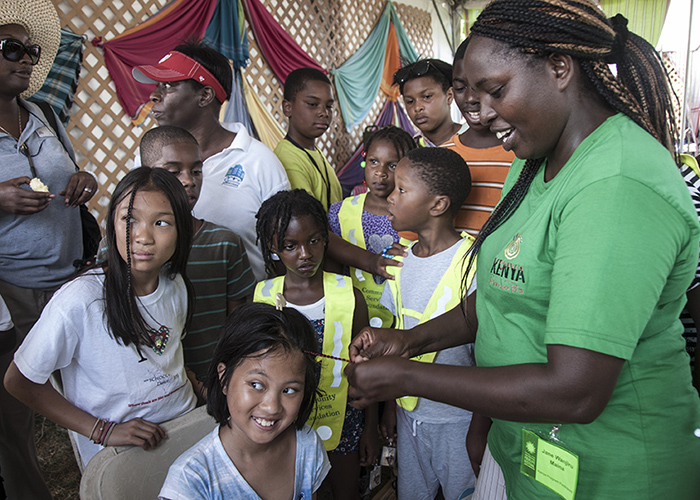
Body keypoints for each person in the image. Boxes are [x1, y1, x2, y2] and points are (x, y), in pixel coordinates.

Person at [345, 1, 700, 499]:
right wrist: (410, 343)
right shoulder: (538, 159)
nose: (482, 113)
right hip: (528, 450)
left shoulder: (615, 182)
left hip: (609, 471)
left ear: (559, 68)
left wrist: (406, 376)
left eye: (495, 90)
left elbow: (574, 391)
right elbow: (501, 297)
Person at [4, 167, 198, 468]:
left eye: (161, 222)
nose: (143, 236)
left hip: (184, 430)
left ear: (181, 230)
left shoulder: (175, 285)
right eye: (129, 220)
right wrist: (102, 430)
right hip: (121, 455)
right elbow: (19, 380)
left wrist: (193, 382)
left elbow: (166, 352)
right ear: (112, 225)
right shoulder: (80, 300)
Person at [0, 1, 98, 497]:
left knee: (90, 389)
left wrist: (84, 180)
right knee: (15, 409)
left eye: (31, 50)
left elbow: (73, 172)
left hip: (69, 278)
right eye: (11, 49)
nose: (26, 59)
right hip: (12, 290)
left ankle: (105, 477)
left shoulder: (41, 113)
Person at [254, 190, 378, 500]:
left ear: (326, 239)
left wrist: (370, 427)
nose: (305, 254)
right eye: (290, 246)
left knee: (345, 492)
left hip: (345, 422)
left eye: (313, 241)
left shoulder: (350, 296)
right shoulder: (263, 299)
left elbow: (370, 368)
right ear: (273, 248)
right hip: (284, 427)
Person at [132, 41, 290, 281]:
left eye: (168, 86)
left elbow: (286, 249)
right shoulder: (149, 158)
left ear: (205, 95)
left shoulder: (259, 162)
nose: (154, 95)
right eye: (157, 86)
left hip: (242, 310)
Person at [380, 147, 477, 499]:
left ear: (437, 205)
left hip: (459, 422)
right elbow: (395, 339)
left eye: (401, 190)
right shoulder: (398, 261)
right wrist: (391, 408)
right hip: (409, 416)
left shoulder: (473, 263)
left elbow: (487, 355)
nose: (389, 197)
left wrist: (480, 427)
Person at [159, 303, 330, 500]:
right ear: (224, 378)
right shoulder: (190, 481)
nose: (272, 406)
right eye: (256, 385)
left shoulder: (307, 446)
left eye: (289, 390)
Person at [140, 126, 256, 392]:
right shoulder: (127, 246)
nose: (189, 180)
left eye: (196, 171)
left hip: (214, 379)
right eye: (173, 172)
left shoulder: (224, 242)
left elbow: (236, 319)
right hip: (154, 387)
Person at [328, 125, 416, 329]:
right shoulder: (339, 212)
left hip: (403, 321)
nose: (380, 172)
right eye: (373, 162)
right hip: (350, 317)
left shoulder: (416, 216)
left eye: (392, 165)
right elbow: (331, 273)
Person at [443, 39, 516, 236]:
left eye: (481, 87)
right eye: (460, 88)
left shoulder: (523, 153)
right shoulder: (442, 157)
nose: (470, 98)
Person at [274, 67, 342, 211]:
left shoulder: (314, 151)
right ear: (287, 108)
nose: (323, 113)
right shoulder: (288, 160)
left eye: (329, 106)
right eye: (312, 104)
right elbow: (308, 227)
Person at [392, 59, 464, 148]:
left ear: (449, 96)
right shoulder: (409, 149)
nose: (417, 108)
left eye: (427, 97)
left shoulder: (475, 141)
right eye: (410, 101)